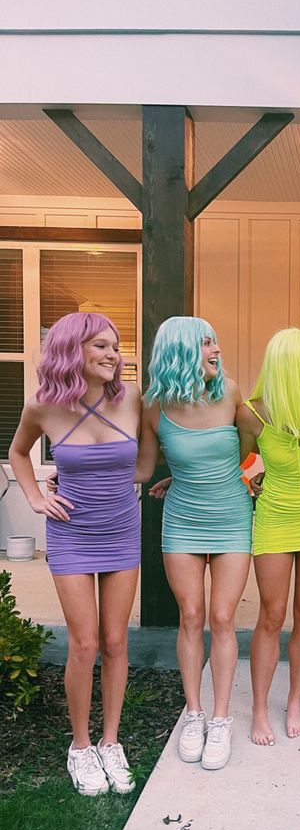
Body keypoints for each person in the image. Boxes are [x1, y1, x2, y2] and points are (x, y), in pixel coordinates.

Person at [9, 312, 140, 796]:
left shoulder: (132, 400)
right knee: (84, 644)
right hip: (72, 533)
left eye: (115, 346)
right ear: (73, 351)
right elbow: (19, 453)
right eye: (102, 347)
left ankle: (111, 742)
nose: (114, 355)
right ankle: (80, 747)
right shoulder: (43, 407)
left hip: (123, 530)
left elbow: (147, 455)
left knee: (116, 641)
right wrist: (36, 497)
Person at [138, 316, 254, 771]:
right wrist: (71, 479)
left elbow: (255, 446)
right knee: (191, 615)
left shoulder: (230, 391)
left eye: (216, 340)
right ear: (181, 350)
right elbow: (142, 469)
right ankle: (194, 713)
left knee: (223, 617)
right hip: (182, 521)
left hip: (231, 517)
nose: (216, 349)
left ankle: (221, 719)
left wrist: (253, 474)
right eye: (207, 342)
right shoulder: (154, 406)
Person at [239, 328, 300, 745]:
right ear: (297, 364)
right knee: (272, 614)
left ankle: (294, 700)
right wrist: (251, 479)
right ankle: (260, 708)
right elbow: (237, 459)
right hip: (276, 517)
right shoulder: (252, 411)